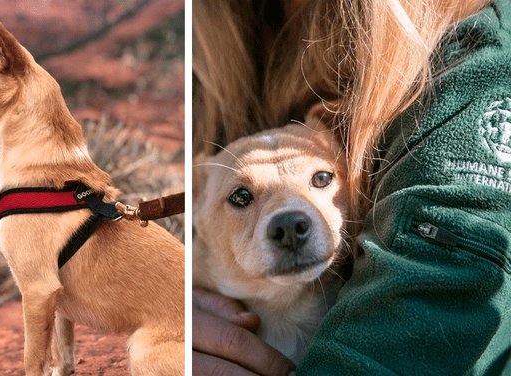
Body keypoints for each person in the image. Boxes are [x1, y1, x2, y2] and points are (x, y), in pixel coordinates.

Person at [192, 0, 511, 374]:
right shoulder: (205, 52)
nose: (290, 221)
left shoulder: (472, 62)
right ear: (194, 201)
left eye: (321, 179)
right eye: (242, 197)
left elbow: (434, 307)